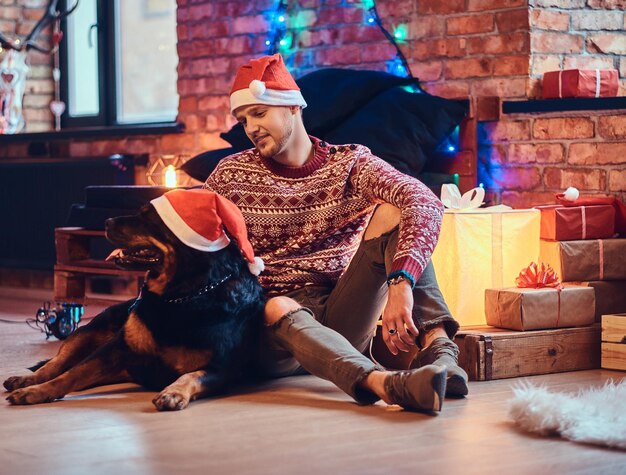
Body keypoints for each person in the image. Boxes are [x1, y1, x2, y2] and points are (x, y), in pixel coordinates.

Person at [203, 53, 468, 413]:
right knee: (278, 305)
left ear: (293, 107)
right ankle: (384, 384)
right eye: (243, 119)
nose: (250, 128)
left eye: (259, 113)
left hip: (340, 312)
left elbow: (422, 200)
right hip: (270, 330)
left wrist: (401, 283)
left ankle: (442, 354)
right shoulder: (230, 174)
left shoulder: (350, 163)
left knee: (395, 211)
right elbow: (196, 236)